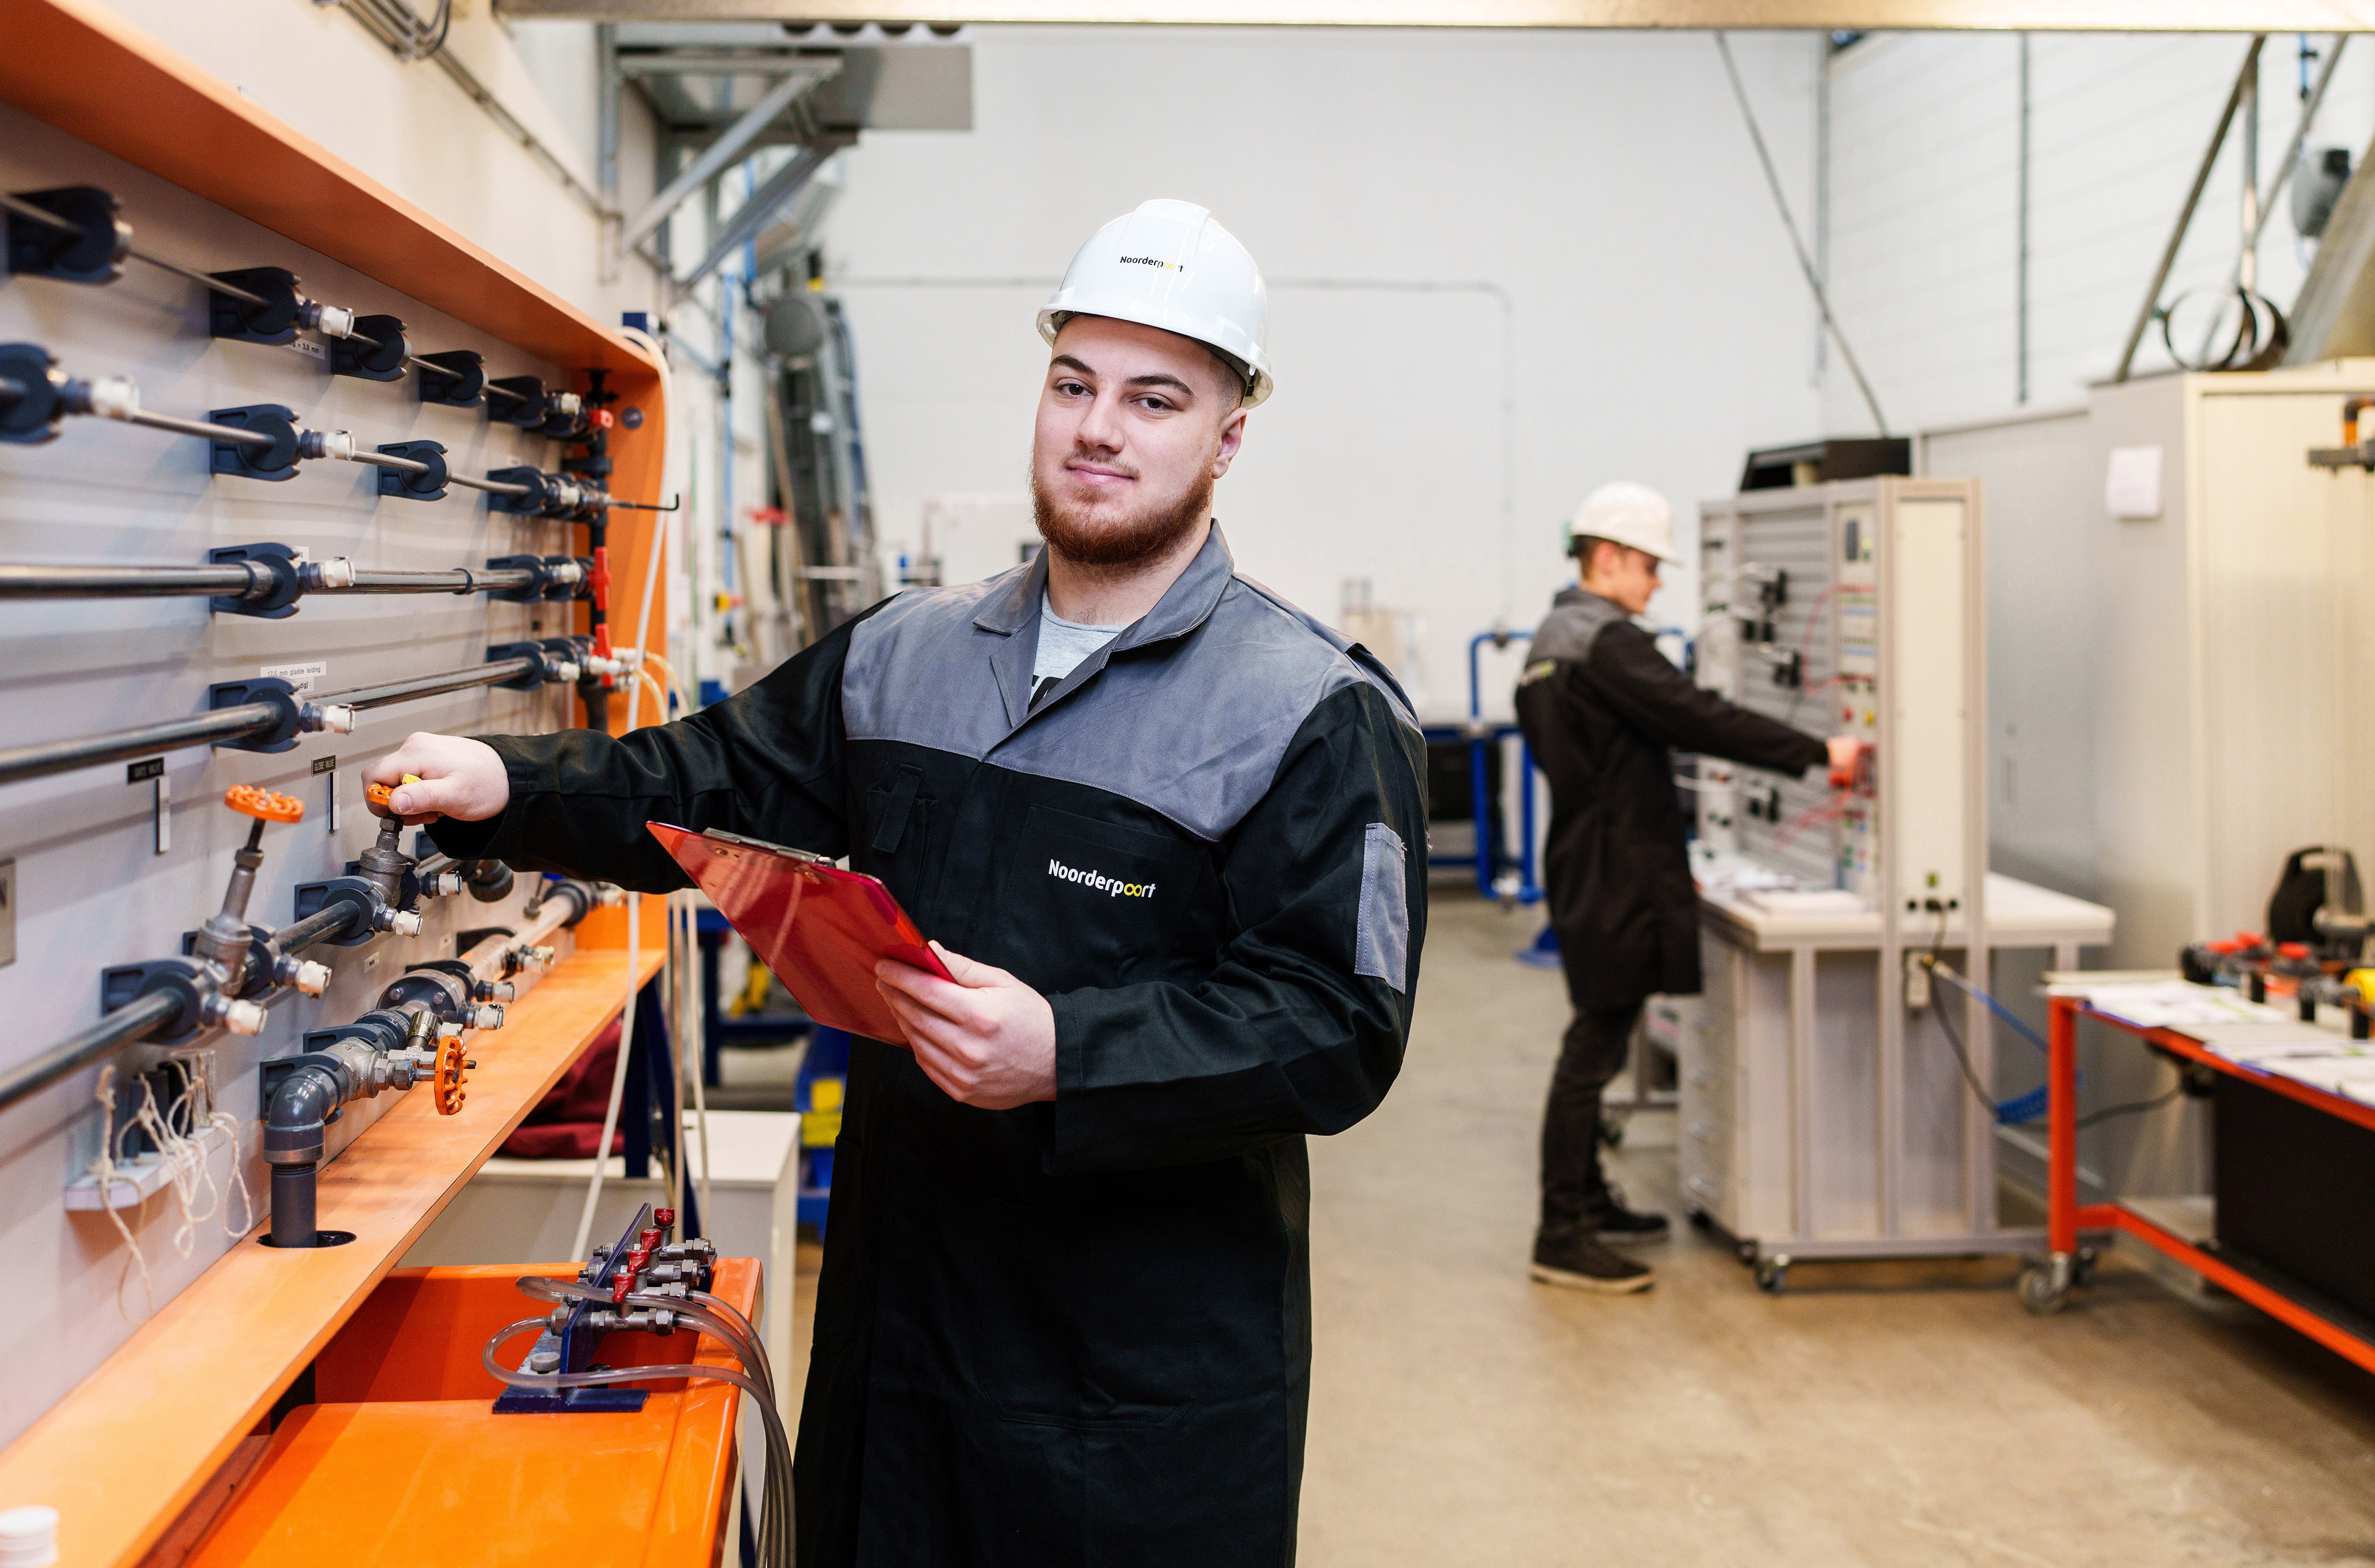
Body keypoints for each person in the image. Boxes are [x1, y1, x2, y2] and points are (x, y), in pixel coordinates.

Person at [370, 198, 1428, 1565]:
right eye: (1073, 383)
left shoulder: (1308, 710)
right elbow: (706, 784)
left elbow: (1339, 1026)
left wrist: (1069, 1052)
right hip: (905, 1329)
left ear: (1226, 437)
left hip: (1134, 1383)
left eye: (1153, 398)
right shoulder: (904, 656)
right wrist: (511, 787)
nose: (1098, 427)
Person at [1512, 481, 1856, 1294]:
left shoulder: (1549, 639)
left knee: (1599, 1036)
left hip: (1584, 856)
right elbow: (1700, 717)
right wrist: (1819, 754)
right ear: (1608, 558)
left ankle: (1589, 1205)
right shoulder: (1610, 642)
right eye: (1649, 567)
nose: (1658, 584)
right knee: (1593, 1048)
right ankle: (1562, 1233)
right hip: (1621, 868)